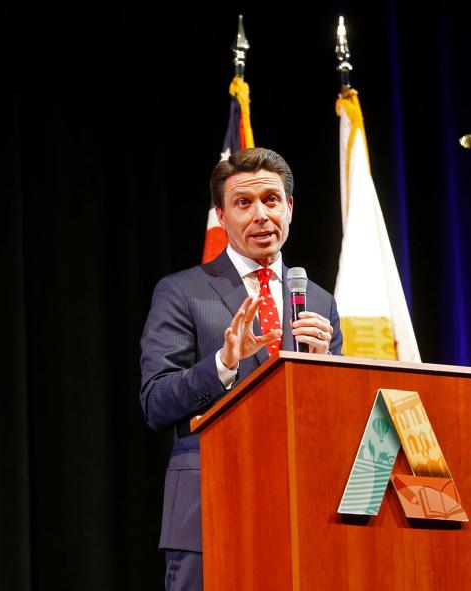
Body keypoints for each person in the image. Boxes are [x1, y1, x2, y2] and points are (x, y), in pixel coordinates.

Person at [139, 147, 343, 590]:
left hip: (301, 509)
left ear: (289, 207)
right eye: (243, 203)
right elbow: (156, 404)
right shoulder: (182, 291)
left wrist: (327, 370)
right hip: (209, 508)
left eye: (271, 200)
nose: (260, 215)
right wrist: (223, 364)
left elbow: (333, 424)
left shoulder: (320, 302)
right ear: (221, 214)